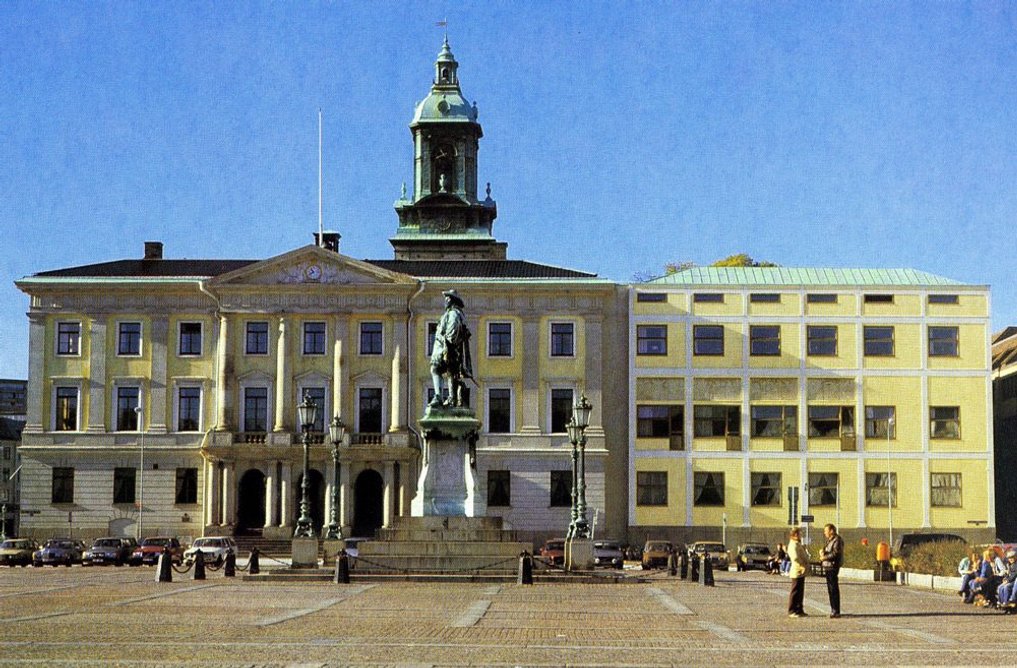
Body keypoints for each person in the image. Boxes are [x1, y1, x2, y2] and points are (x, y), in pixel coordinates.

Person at [429, 289, 473, 409]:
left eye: (447, 299)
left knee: (436, 369)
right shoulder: (454, 313)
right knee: (450, 373)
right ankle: (450, 398)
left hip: (446, 348)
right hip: (449, 348)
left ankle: (440, 397)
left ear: (453, 301)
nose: (445, 301)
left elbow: (452, 330)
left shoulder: (453, 313)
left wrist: (447, 346)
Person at [819, 523, 844, 618]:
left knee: (833, 589)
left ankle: (836, 610)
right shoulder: (830, 540)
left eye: (826, 530)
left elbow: (835, 554)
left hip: (833, 566)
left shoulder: (837, 540)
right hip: (828, 566)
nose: (824, 532)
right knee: (830, 589)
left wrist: (824, 557)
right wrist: (823, 551)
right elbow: (828, 550)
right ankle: (833, 608)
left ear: (831, 531)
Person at [787, 527, 810, 617]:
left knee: (800, 591)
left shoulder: (797, 543)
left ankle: (799, 609)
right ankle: (792, 610)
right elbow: (795, 557)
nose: (801, 535)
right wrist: (802, 565)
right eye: (800, 533)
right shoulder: (793, 544)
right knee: (795, 591)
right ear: (795, 534)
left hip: (801, 570)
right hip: (797, 570)